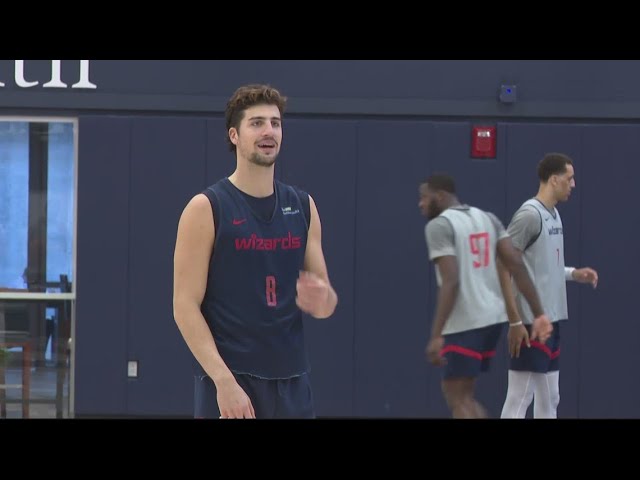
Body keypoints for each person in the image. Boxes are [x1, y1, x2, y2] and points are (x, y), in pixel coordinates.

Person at [173, 84, 338, 419]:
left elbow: (325, 302)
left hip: (292, 381)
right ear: (234, 135)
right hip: (232, 381)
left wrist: (322, 301)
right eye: (257, 123)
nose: (269, 131)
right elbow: (184, 305)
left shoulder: (302, 206)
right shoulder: (206, 208)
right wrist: (224, 381)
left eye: (275, 123)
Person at [419, 174, 552, 419]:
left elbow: (451, 280)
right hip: (493, 322)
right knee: (465, 396)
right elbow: (516, 265)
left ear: (440, 195)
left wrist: (437, 334)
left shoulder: (438, 226)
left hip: (465, 322)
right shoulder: (488, 218)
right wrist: (539, 313)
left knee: (457, 398)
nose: (421, 204)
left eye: (424, 197)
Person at [499, 153, 598, 419]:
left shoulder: (554, 215)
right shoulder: (529, 216)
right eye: (570, 178)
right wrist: (515, 322)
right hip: (531, 323)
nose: (573, 184)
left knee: (550, 397)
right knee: (520, 396)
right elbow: (504, 266)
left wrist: (574, 273)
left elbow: (543, 267)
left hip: (552, 319)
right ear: (554, 180)